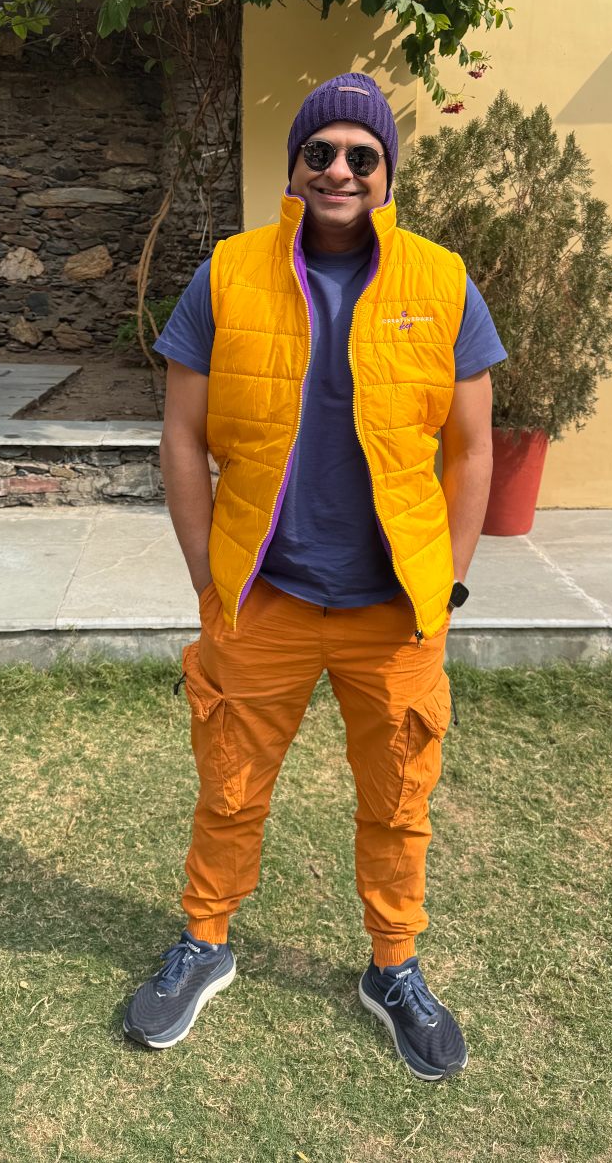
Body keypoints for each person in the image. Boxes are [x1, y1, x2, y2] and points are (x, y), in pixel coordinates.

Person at [122, 72, 506, 1082]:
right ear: (294, 166)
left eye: (361, 155)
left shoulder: (441, 282)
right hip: (265, 599)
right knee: (229, 787)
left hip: (395, 612)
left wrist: (447, 584)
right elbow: (181, 434)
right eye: (320, 152)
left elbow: (472, 448)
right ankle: (204, 942)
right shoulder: (228, 274)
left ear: (387, 172)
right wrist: (207, 573)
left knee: (399, 800)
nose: (339, 170)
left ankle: (394, 967)